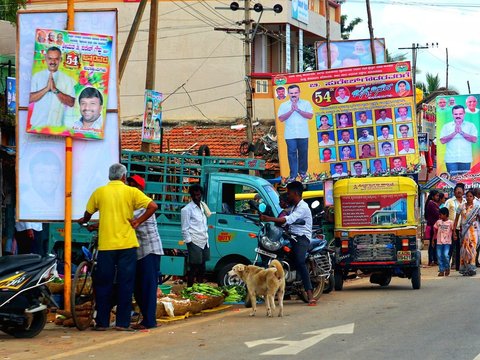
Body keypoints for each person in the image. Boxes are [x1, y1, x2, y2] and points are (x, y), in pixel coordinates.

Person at [77, 163, 158, 331]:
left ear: (109, 176)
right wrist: (138, 221)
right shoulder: (131, 192)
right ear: (123, 177)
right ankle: (122, 323)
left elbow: (88, 213)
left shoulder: (99, 192)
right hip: (127, 246)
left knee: (103, 283)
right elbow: (153, 206)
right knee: (125, 283)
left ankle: (102, 322)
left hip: (106, 246)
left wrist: (84, 220)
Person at [259, 181, 317, 305]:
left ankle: (310, 294)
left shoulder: (302, 207)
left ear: (295, 193)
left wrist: (269, 219)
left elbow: (288, 219)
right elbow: (283, 217)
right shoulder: (293, 207)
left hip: (301, 238)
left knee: (300, 261)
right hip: (290, 236)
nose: (288, 195)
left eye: (289, 193)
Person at [126, 174, 164, 330]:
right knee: (139, 287)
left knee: (147, 288)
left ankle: (149, 321)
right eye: (130, 184)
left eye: (134, 185)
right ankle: (146, 318)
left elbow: (125, 219)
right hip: (141, 252)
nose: (131, 187)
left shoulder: (142, 204)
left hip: (149, 250)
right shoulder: (133, 203)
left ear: (140, 188)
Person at [28, 46, 75, 128]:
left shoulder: (67, 79)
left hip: (57, 127)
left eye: (56, 59)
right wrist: (46, 89)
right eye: (50, 58)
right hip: (37, 125)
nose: (53, 62)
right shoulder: (37, 76)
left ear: (60, 60)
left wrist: (55, 90)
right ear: (46, 58)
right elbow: (29, 98)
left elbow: (71, 102)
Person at [278, 85, 313, 182]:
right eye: (291, 93)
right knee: (292, 154)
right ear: (288, 94)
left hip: (303, 133)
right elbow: (281, 118)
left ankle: (302, 173)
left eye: (295, 93)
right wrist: (291, 110)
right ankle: (293, 175)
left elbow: (310, 116)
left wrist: (298, 110)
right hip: (290, 135)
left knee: (303, 153)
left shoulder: (306, 103)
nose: (293, 95)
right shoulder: (284, 105)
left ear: (299, 93)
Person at [181, 184, 210, 287]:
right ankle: (189, 288)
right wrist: (189, 242)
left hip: (204, 240)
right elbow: (184, 228)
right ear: (192, 196)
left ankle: (199, 287)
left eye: (199, 195)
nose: (198, 197)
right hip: (194, 241)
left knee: (203, 267)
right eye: (195, 195)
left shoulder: (202, 207)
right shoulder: (187, 209)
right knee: (194, 267)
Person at [439, 105, 478, 174]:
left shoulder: (471, 125)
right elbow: (442, 141)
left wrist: (461, 133)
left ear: (464, 114)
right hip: (451, 160)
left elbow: (474, 139)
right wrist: (455, 133)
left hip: (465, 159)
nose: (458, 116)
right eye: (456, 114)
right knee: (452, 182)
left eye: (460, 114)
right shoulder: (446, 126)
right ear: (452, 115)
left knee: (464, 182)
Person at [454, 190, 480, 276]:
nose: (469, 198)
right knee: (464, 250)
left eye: (471, 196)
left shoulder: (477, 207)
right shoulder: (461, 207)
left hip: (474, 231)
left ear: (473, 197)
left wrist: (475, 219)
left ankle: (472, 267)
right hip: (464, 231)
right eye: (467, 196)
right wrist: (454, 231)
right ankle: (465, 268)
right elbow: (456, 219)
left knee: (472, 248)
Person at [445, 184, 466, 271]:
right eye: (457, 190)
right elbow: (444, 213)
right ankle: (446, 266)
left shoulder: (466, 201)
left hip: (463, 228)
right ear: (454, 192)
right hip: (452, 227)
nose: (459, 191)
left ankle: (458, 265)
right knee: (450, 247)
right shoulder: (449, 201)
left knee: (460, 247)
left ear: (463, 192)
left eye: (460, 190)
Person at [433, 207, 454, 276]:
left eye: (441, 214)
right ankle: (441, 270)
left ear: (445, 215)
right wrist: (433, 239)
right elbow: (435, 230)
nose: (440, 216)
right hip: (439, 242)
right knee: (439, 256)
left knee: (445, 255)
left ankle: (447, 267)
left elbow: (453, 231)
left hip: (447, 242)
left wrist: (455, 236)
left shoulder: (450, 223)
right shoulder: (438, 222)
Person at [425, 190, 440, 267]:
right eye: (437, 196)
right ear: (433, 196)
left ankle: (434, 259)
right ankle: (431, 260)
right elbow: (437, 214)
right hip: (432, 227)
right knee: (432, 244)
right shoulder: (431, 204)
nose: (438, 197)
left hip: (433, 226)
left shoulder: (432, 203)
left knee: (434, 243)